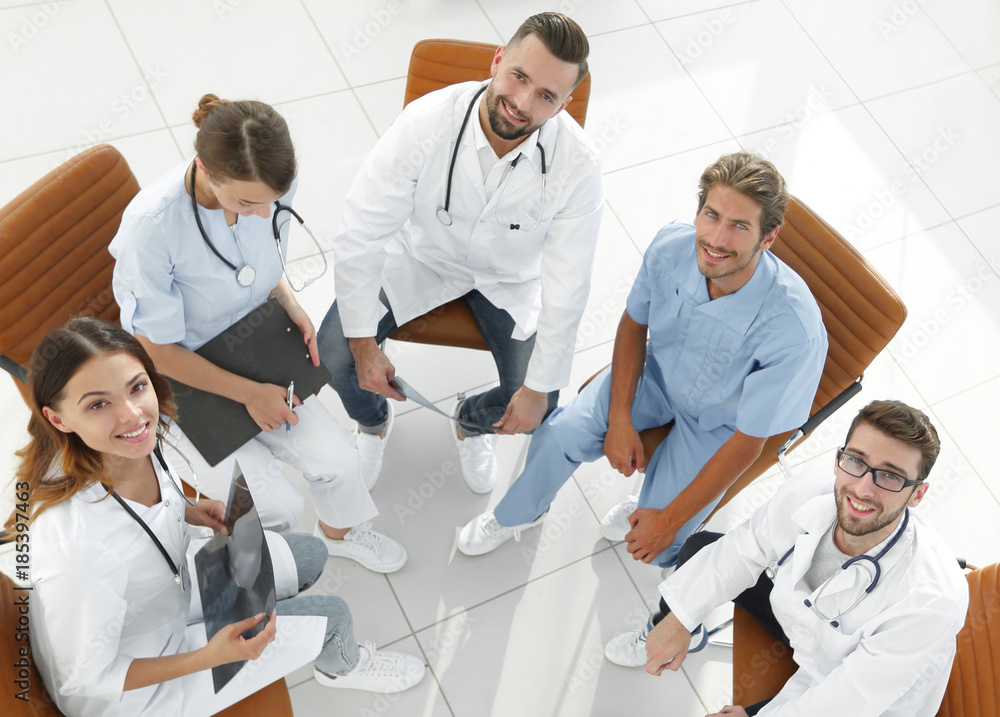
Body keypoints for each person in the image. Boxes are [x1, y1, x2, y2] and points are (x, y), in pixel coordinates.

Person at [11, 318, 425, 717]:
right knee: (332, 617)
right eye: (98, 403)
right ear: (58, 418)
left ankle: (273, 610)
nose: (132, 414)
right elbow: (84, 679)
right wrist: (209, 657)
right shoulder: (79, 549)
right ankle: (341, 667)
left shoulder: (127, 443)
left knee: (311, 553)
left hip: (162, 597)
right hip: (138, 687)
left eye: (137, 386)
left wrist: (186, 510)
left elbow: (135, 512)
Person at [458, 152, 827, 568]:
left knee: (662, 546)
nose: (716, 239)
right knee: (560, 434)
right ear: (698, 211)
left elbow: (749, 441)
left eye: (739, 226)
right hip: (657, 377)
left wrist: (667, 520)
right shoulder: (671, 246)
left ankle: (651, 504)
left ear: (768, 237)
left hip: (721, 425)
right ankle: (519, 514)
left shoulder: (795, 331)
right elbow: (634, 324)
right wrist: (619, 419)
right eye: (711, 215)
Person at [110, 94, 406, 573]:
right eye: (247, 203)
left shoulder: (269, 188)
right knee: (277, 508)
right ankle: (246, 563)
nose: (265, 213)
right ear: (205, 169)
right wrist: (251, 395)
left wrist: (288, 302)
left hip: (253, 344)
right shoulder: (153, 228)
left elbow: (258, 265)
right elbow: (155, 350)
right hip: (184, 376)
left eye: (272, 201)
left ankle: (340, 534)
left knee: (340, 460)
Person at [317, 12, 604, 493]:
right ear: (497, 60)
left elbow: (568, 286)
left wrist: (536, 390)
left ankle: (471, 424)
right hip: (423, 259)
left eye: (546, 96)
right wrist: (365, 347)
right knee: (335, 356)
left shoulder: (579, 165)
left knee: (540, 400)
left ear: (563, 105)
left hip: (510, 280)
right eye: (519, 76)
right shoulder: (426, 122)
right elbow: (360, 233)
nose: (522, 103)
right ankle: (373, 422)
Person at [639, 400, 969, 716]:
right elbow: (744, 548)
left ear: (917, 494)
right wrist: (681, 618)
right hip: (805, 627)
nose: (862, 489)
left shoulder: (929, 601)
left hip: (861, 697)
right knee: (700, 549)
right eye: (856, 461)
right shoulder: (808, 492)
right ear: (838, 458)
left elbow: (843, 702)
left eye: (890, 476)